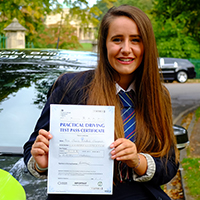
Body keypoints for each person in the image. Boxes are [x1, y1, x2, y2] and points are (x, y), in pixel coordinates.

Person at [23, 5, 179, 200]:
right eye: (117, 40)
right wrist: (41, 162)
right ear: (104, 44)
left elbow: (169, 165)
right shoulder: (70, 87)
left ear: (146, 45)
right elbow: (32, 151)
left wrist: (137, 160)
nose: (126, 49)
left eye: (136, 40)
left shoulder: (158, 95)